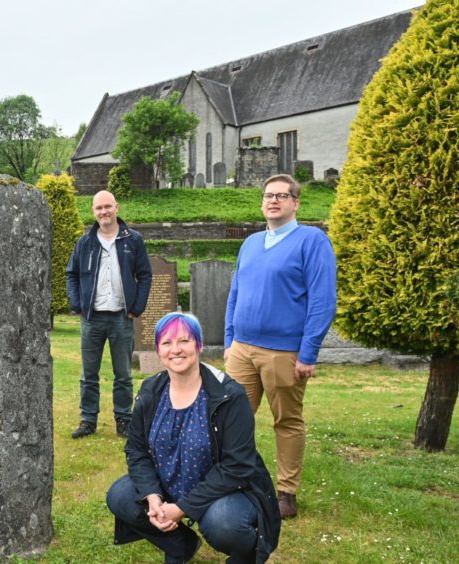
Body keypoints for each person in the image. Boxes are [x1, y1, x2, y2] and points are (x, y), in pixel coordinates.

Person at [106, 312, 281, 563]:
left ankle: (247, 556)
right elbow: (137, 450)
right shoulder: (151, 391)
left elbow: (237, 466)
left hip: (225, 491)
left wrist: (182, 508)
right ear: (158, 350)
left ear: (198, 345)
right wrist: (153, 496)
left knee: (223, 523)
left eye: (184, 341)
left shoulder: (229, 395)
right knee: (120, 497)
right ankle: (180, 546)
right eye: (166, 343)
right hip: (169, 483)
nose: (175, 350)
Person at [224, 174, 337, 519]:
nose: (273, 201)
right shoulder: (251, 243)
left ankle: (286, 492)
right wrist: (229, 341)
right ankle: (233, 481)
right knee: (230, 419)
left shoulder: (312, 241)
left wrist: (308, 352)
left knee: (286, 421)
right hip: (242, 349)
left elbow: (322, 299)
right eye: (268, 195)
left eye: (281, 196)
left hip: (284, 352)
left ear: (295, 203)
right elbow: (235, 294)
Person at [66, 190, 152, 438]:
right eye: (98, 208)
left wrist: (137, 307)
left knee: (123, 374)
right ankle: (88, 419)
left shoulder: (133, 240)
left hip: (121, 318)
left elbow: (145, 275)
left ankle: (124, 420)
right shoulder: (85, 242)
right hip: (91, 318)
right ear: (93, 212)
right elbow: (72, 274)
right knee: (88, 374)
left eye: (107, 206)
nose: (103, 212)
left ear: (117, 207)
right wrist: (77, 304)